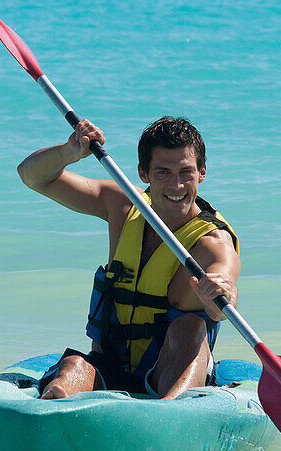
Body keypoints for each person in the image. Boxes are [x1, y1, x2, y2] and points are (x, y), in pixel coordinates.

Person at [17, 116, 240, 400]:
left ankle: (169, 419)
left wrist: (219, 297)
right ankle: (49, 423)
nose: (177, 185)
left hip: (169, 377)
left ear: (202, 172)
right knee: (70, 371)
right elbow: (31, 176)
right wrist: (69, 152)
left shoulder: (213, 244)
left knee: (189, 329)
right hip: (109, 367)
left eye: (186, 172)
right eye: (163, 172)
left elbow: (226, 291)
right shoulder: (122, 205)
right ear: (143, 173)